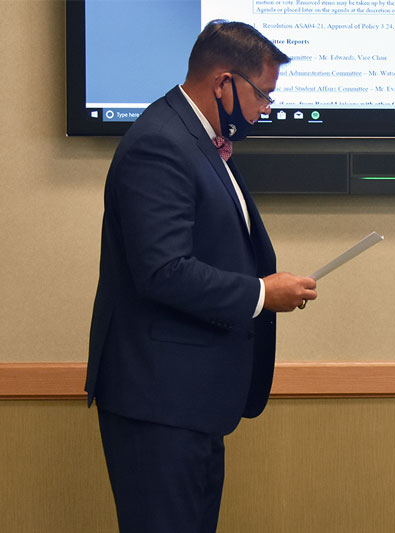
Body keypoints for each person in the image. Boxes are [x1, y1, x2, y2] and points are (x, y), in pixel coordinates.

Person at [85, 20, 318, 532]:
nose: (266, 110)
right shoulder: (160, 143)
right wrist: (261, 293)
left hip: (191, 403)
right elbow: (163, 271)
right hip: (158, 403)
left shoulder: (198, 140)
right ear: (223, 83)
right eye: (262, 95)